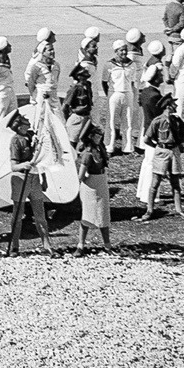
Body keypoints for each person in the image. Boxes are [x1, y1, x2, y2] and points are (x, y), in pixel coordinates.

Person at [6, 112, 59, 257]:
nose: (29, 123)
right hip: (21, 178)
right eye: (25, 122)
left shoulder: (31, 136)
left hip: (34, 178)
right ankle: (14, 246)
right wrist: (25, 164)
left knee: (40, 214)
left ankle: (47, 245)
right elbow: (13, 166)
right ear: (19, 126)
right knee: (17, 214)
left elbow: (40, 159)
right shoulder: (15, 141)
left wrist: (44, 178)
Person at [136, 95, 184, 221]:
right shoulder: (157, 121)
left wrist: (177, 146)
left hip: (174, 151)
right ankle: (149, 211)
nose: (176, 106)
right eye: (174, 104)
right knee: (155, 183)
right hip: (162, 151)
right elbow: (147, 139)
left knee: (176, 183)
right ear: (168, 106)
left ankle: (179, 210)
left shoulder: (177, 121)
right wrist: (159, 147)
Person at [74, 122, 113, 255]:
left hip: (101, 182)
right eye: (97, 135)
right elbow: (80, 175)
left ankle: (107, 245)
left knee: (103, 215)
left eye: (100, 135)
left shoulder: (100, 149)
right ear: (91, 136)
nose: (100, 137)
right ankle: (80, 245)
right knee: (87, 217)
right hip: (90, 186)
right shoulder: (87, 154)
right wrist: (86, 177)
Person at [104, 39, 138, 154]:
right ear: (116, 51)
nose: (124, 53)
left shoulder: (132, 64)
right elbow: (104, 81)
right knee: (111, 121)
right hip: (114, 93)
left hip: (128, 93)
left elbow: (132, 81)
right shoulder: (109, 64)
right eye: (121, 50)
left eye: (125, 50)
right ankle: (109, 146)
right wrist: (109, 94)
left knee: (128, 121)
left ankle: (127, 147)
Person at [63, 63, 95, 144]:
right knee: (73, 141)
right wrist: (67, 120)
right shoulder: (74, 89)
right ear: (78, 77)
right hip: (77, 118)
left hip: (87, 117)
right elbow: (65, 107)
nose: (86, 79)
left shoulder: (88, 86)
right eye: (83, 77)